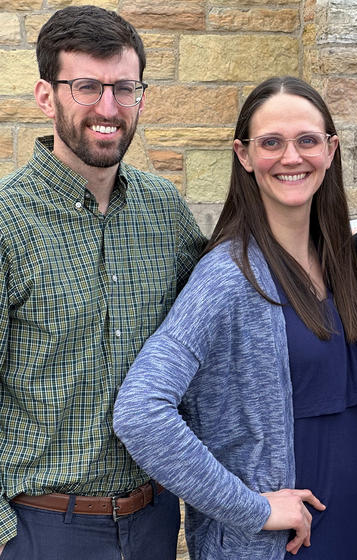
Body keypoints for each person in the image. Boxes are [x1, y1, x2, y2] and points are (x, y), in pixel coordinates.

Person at [113, 76, 357, 559]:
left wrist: (356, 417)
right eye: (271, 143)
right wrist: (251, 508)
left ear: (331, 149)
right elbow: (140, 413)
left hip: (351, 521)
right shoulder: (228, 276)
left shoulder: (343, 262)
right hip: (278, 540)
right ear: (244, 155)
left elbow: (310, 388)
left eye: (307, 141)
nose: (291, 157)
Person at [0, 6, 205, 559]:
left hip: (155, 521)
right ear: (47, 96)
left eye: (124, 88)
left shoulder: (166, 212)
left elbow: (220, 341)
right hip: (41, 527)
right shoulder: (6, 222)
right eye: (87, 87)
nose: (108, 108)